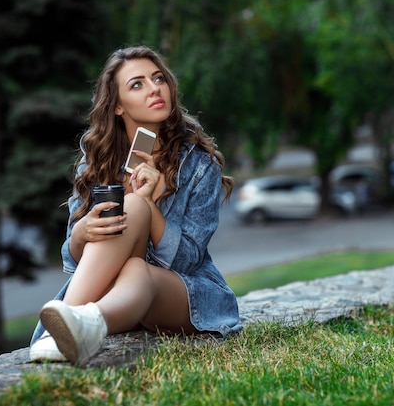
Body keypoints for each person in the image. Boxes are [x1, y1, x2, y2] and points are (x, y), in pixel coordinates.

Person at [29, 45, 241, 365]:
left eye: (158, 79)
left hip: (180, 294)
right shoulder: (96, 160)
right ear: (116, 106)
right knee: (133, 267)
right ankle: (87, 325)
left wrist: (150, 205)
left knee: (137, 208)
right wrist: (81, 233)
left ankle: (56, 335)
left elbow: (186, 260)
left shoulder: (200, 165)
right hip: (118, 294)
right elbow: (76, 260)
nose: (154, 88)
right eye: (137, 84)